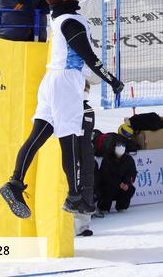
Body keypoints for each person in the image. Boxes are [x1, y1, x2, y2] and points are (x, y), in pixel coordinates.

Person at [0, 0, 125, 219]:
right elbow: (88, 56)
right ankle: (75, 197)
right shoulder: (70, 21)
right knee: (69, 141)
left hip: (52, 80)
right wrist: (112, 80)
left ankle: (14, 183)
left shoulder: (60, 18)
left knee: (38, 136)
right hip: (66, 83)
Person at [76, 82, 96, 236]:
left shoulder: (89, 110)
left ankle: (84, 226)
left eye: (87, 90)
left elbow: (88, 131)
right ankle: (71, 225)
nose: (85, 92)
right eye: (83, 89)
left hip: (86, 152)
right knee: (74, 187)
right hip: (73, 151)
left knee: (87, 187)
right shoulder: (68, 105)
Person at [96, 138, 137, 213]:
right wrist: (118, 183)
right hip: (109, 185)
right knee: (108, 188)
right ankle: (103, 208)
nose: (119, 156)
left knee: (130, 189)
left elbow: (132, 173)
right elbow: (104, 176)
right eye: (118, 154)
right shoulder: (107, 159)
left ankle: (121, 206)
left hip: (122, 185)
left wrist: (126, 183)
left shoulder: (129, 159)